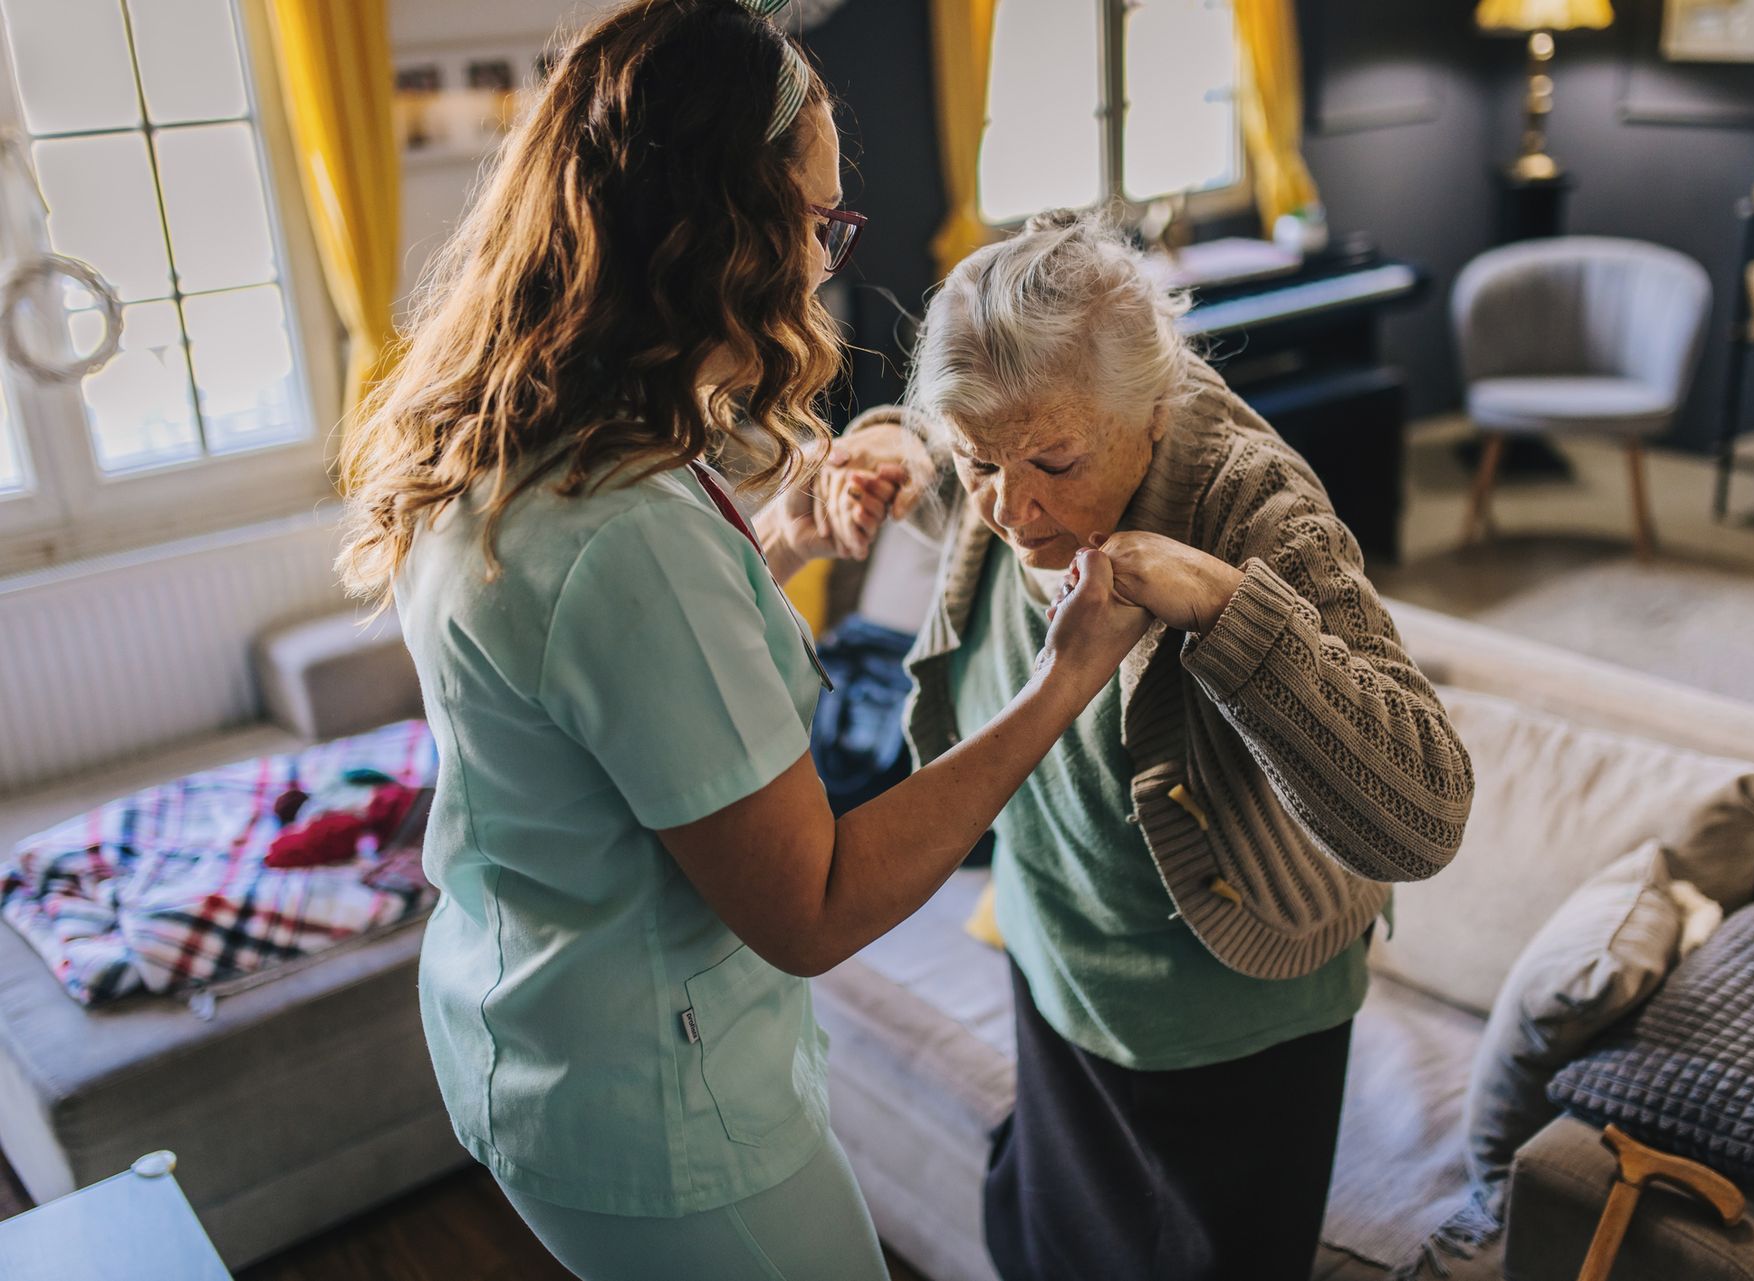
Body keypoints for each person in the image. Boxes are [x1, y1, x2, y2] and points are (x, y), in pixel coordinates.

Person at [334, 8, 1149, 1279]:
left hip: (524, 1030)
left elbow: (601, 681)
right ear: (723, 225)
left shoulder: (511, 435)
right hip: (658, 1109)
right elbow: (811, 907)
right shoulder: (623, 538)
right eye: (818, 220)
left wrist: (776, 543)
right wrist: (1067, 675)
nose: (826, 257)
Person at [824, 210, 1476, 1281]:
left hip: (1227, 1027)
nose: (1016, 509)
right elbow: (993, 438)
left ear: (1156, 409)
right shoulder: (1004, 465)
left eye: (1056, 462)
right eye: (980, 461)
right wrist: (910, 448)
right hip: (1055, 959)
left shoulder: (1257, 509)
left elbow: (1426, 811)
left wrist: (1226, 608)